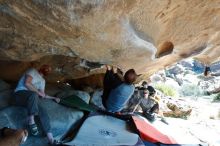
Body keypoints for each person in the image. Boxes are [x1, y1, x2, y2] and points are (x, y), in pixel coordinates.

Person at [14, 65, 60, 145]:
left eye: (49, 69)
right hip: (19, 95)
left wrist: (54, 98)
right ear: (41, 67)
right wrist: (37, 93)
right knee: (33, 95)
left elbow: (42, 95)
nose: (48, 69)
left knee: (43, 112)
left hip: (30, 101)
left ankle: (51, 140)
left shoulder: (42, 81)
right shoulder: (33, 71)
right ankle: (31, 121)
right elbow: (27, 83)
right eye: (46, 67)